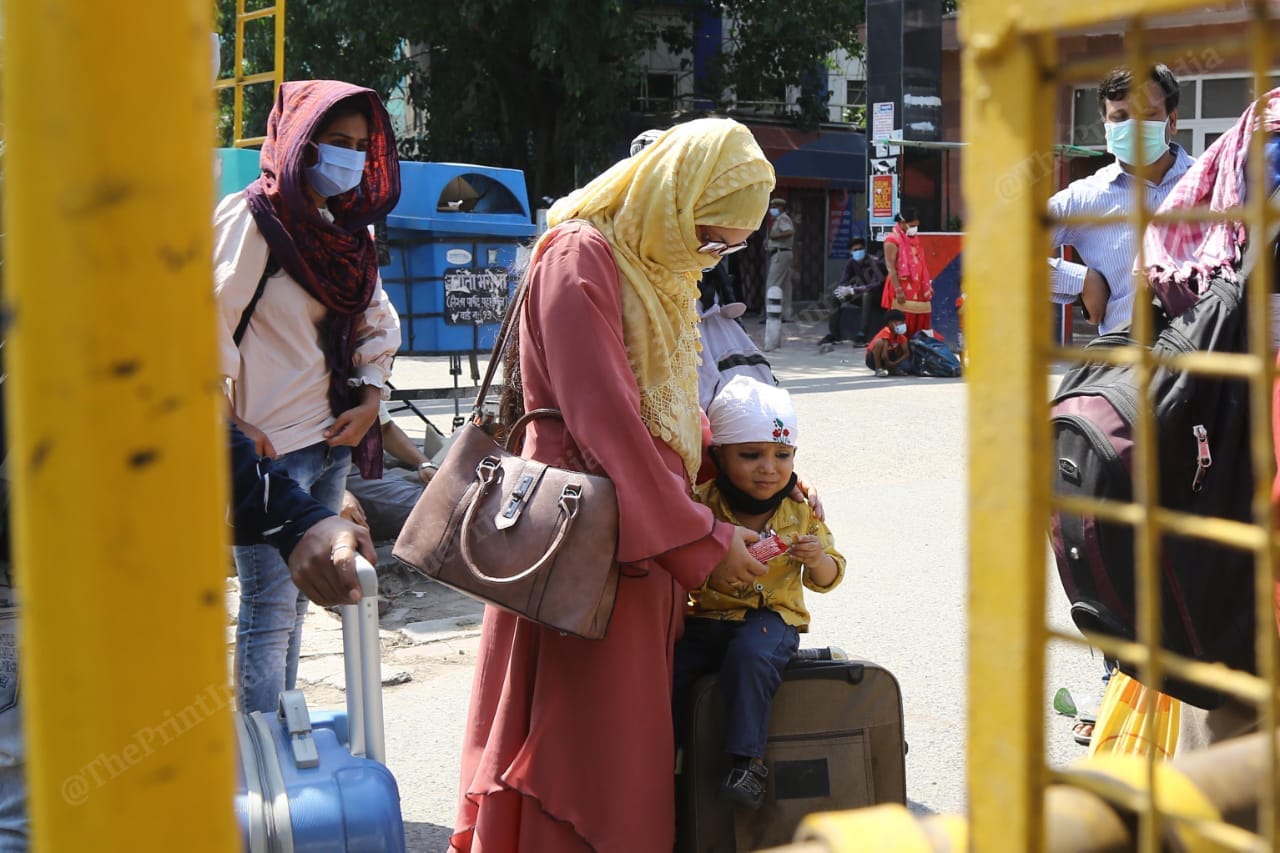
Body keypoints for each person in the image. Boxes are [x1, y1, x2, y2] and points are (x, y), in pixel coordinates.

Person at [449, 117, 775, 853]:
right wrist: (702, 539)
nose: (710, 256)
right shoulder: (580, 255)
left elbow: (673, 414)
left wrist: (756, 479)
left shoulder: (657, 267)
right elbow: (605, 422)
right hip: (585, 543)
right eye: (709, 238)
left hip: (640, 540)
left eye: (725, 248)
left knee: (618, 753)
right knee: (580, 757)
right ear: (672, 196)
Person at [0, 420, 373, 850]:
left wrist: (300, 519)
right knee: (29, 814)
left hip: (112, 569)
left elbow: (185, 419)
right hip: (37, 579)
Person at [214, 80, 402, 714]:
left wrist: (371, 398)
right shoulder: (254, 219)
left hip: (331, 441)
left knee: (298, 602)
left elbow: (376, 318)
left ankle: (282, 734)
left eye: (361, 145)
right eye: (336, 142)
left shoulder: (344, 231)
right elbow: (202, 323)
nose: (351, 157)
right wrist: (228, 423)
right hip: (269, 447)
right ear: (299, 142)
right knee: (270, 608)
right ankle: (261, 746)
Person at [673, 377, 844, 811]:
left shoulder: (800, 509)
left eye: (782, 455)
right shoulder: (702, 505)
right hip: (709, 618)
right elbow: (686, 570)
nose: (769, 468)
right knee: (674, 668)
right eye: (751, 455)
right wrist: (713, 577)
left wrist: (815, 558)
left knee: (751, 655)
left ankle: (748, 762)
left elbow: (829, 576)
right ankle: (675, 756)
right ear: (719, 456)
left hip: (772, 620)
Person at [1049, 64, 1193, 334]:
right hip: (1125, 357)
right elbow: (1003, 247)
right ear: (1107, 128)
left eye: (1147, 115)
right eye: (1120, 117)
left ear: (1172, 121)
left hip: (1207, 355)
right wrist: (1078, 280)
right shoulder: (1085, 197)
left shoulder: (1213, 184)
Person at [342, 402, 438, 542]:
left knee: (441, 496)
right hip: (328, 473)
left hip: (357, 462)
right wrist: (338, 494)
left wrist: (424, 463)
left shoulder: (366, 390)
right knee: (433, 511)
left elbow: (385, 428)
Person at [820, 236, 886, 351]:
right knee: (835, 296)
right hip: (861, 294)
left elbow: (876, 285)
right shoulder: (851, 262)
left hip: (878, 297)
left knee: (866, 294)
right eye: (855, 250)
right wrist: (842, 289)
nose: (858, 252)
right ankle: (834, 335)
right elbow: (843, 280)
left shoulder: (874, 262)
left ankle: (862, 334)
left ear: (864, 249)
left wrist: (853, 290)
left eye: (860, 249)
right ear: (850, 252)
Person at [881, 208, 933, 337]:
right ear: (902, 223)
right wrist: (898, 290)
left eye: (916, 226)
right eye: (912, 225)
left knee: (922, 321)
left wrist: (927, 284)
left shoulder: (913, 238)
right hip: (902, 286)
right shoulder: (892, 240)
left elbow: (920, 262)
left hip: (919, 286)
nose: (914, 229)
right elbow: (891, 268)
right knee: (903, 323)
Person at [765, 197, 796, 322]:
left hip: (780, 254)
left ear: (781, 207)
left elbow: (789, 232)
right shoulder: (780, 219)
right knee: (785, 287)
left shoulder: (782, 218)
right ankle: (785, 315)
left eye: (774, 207)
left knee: (772, 283)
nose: (772, 210)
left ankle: (771, 314)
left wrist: (775, 236)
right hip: (784, 253)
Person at [865, 309, 911, 377]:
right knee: (879, 342)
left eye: (903, 322)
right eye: (901, 322)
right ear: (891, 323)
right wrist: (888, 363)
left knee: (907, 367)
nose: (903, 325)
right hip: (872, 359)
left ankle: (892, 369)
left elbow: (906, 353)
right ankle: (879, 368)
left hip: (890, 359)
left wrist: (895, 363)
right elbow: (884, 355)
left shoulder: (901, 337)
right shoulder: (886, 332)